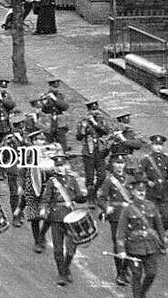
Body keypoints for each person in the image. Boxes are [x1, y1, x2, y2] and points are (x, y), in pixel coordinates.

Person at [39, 150, 88, 286]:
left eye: (62, 165)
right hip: (56, 217)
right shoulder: (51, 182)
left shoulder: (72, 179)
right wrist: (43, 209)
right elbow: (46, 198)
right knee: (58, 249)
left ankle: (66, 268)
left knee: (71, 248)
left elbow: (78, 198)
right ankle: (61, 273)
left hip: (71, 217)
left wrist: (84, 196)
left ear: (66, 165)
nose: (60, 167)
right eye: (58, 165)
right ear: (55, 167)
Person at [119, 178, 166, 298]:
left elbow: (159, 226)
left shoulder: (151, 206)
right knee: (136, 275)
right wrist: (121, 249)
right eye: (138, 191)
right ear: (133, 192)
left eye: (143, 191)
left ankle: (142, 293)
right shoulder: (127, 209)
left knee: (151, 273)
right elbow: (121, 232)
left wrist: (163, 240)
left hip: (150, 247)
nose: (141, 193)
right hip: (134, 248)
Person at [96, 156, 133, 286]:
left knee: (130, 243)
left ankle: (125, 269)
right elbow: (100, 199)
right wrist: (107, 207)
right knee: (119, 243)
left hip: (130, 215)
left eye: (122, 163)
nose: (119, 166)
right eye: (117, 163)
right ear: (112, 164)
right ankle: (120, 273)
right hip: (116, 216)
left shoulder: (130, 179)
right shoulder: (108, 181)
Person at [75, 101, 113, 195]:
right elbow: (79, 137)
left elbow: (106, 131)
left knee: (102, 175)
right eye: (93, 110)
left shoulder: (102, 120)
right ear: (89, 111)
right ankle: (91, 196)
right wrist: (84, 128)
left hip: (100, 151)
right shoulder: (83, 121)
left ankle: (96, 190)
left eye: (96, 109)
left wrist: (94, 123)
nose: (95, 112)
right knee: (90, 176)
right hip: (88, 151)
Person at [139, 135, 168, 231]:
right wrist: (147, 182)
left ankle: (162, 235)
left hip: (164, 192)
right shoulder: (146, 159)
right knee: (151, 216)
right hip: (152, 192)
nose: (158, 147)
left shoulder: (166, 159)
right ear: (151, 145)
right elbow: (139, 174)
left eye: (160, 145)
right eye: (156, 145)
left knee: (166, 218)